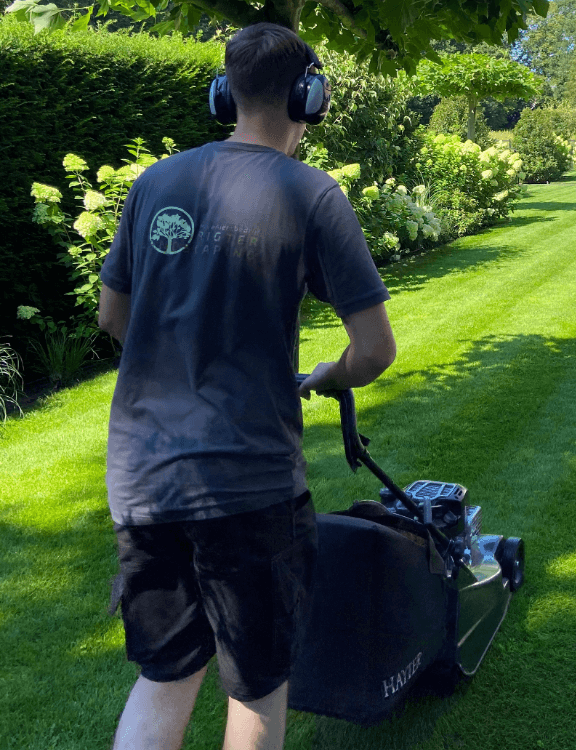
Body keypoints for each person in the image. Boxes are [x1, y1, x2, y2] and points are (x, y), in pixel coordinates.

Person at [97, 22, 396, 750]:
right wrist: (331, 375)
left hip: (142, 479)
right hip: (250, 484)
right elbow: (376, 349)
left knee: (165, 673)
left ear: (224, 93)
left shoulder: (156, 182)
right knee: (258, 683)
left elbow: (113, 317)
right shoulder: (312, 193)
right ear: (308, 98)